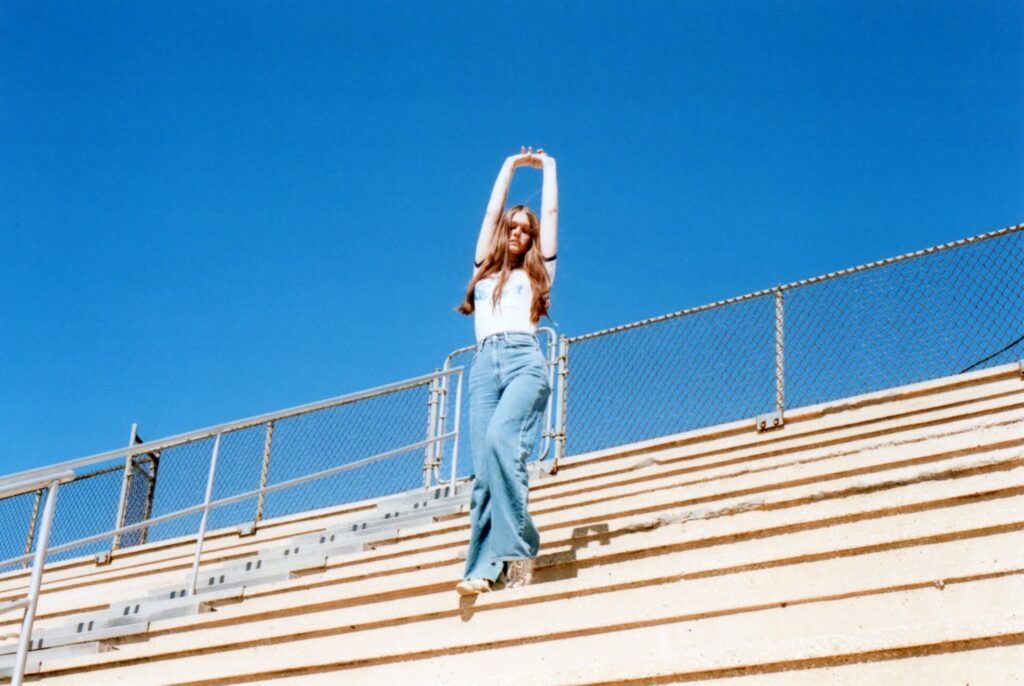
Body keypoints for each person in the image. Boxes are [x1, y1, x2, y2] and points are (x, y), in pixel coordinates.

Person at [454, 147, 559, 596]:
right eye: (512, 227)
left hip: (523, 361)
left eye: (525, 230)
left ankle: (518, 553)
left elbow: (551, 211)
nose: (517, 232)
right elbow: (492, 210)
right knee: (484, 471)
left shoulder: (540, 273)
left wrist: (549, 168)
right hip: (482, 366)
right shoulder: (485, 268)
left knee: (503, 444)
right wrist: (510, 167)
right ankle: (482, 569)